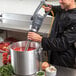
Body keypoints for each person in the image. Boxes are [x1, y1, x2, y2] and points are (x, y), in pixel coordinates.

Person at [27, 0, 76, 68]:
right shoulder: (65, 8)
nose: (60, 1)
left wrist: (41, 39)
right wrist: (51, 8)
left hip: (63, 60)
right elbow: (58, 9)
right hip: (53, 52)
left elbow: (62, 43)